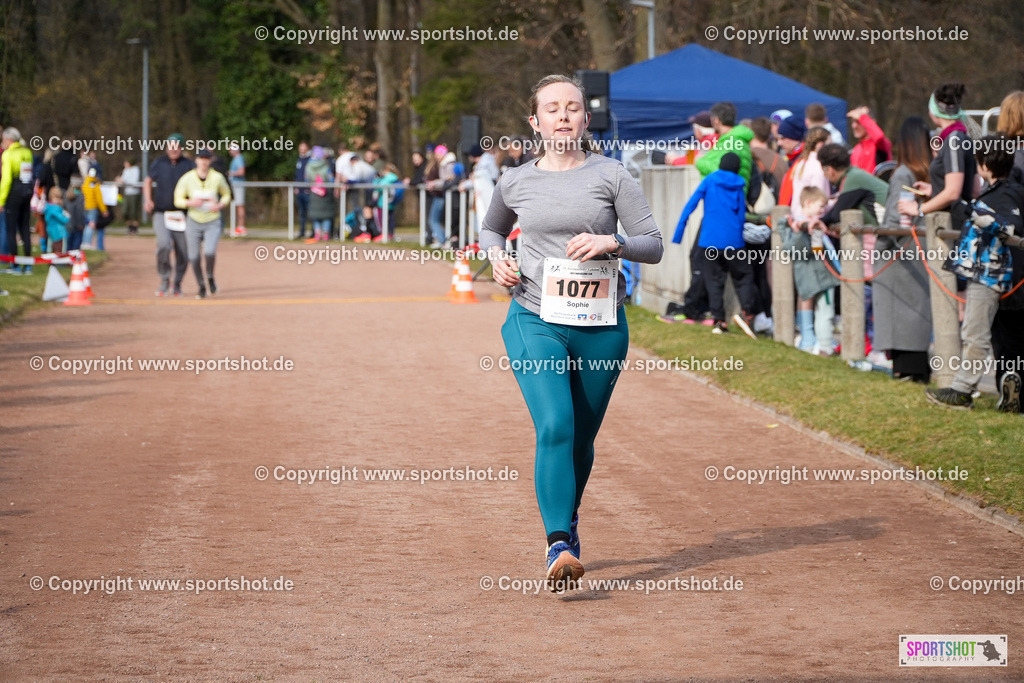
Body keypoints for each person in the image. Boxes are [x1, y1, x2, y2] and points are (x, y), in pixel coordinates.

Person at [480, 74, 663, 591]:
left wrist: (612, 241)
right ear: (535, 122)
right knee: (556, 424)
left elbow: (652, 243)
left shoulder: (613, 175)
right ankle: (558, 542)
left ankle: (569, 516)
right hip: (535, 317)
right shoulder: (515, 180)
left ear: (586, 118)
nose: (563, 115)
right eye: (552, 108)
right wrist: (497, 257)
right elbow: (493, 227)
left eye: (573, 107)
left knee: (581, 439)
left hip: (601, 325)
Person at [926, 135, 1024, 410]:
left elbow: (1010, 227)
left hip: (989, 276)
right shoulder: (1004, 191)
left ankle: (961, 391)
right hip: (992, 275)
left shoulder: (1004, 195)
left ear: (984, 165)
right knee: (1000, 339)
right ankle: (1012, 398)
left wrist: (974, 213)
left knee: (975, 335)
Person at [871, 117, 935, 383]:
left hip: (899, 254)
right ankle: (916, 370)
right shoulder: (927, 174)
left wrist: (879, 245)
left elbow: (895, 220)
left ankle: (907, 371)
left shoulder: (902, 174)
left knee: (899, 314)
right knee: (917, 313)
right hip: (919, 252)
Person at [669, 152, 758, 337]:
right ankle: (747, 314)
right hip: (734, 242)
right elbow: (741, 215)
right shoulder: (740, 186)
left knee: (714, 281)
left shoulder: (710, 180)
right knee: (743, 276)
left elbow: (690, 205)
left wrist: (678, 234)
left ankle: (719, 321)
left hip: (709, 241)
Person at [783, 186, 840, 355]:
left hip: (813, 272)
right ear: (808, 203)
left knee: (816, 306)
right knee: (825, 310)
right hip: (820, 275)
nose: (823, 210)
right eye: (820, 206)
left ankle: (813, 339)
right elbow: (812, 250)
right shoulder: (803, 224)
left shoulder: (806, 223)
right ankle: (823, 345)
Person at [174, 148, 231, 299]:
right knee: (193, 257)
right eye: (201, 158)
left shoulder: (217, 178)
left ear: (210, 160)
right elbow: (177, 199)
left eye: (207, 158)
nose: (204, 161)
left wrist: (219, 205)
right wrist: (190, 202)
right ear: (196, 160)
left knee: (209, 252)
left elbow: (226, 194)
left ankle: (210, 276)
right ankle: (201, 285)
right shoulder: (187, 178)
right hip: (194, 221)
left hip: (212, 221)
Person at [144, 133, 195, 296]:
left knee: (183, 251)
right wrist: (148, 200)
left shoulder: (189, 164)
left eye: (176, 146)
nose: (173, 149)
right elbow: (147, 181)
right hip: (161, 212)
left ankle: (177, 282)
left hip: (182, 215)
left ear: (181, 148)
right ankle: (165, 279)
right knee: (164, 245)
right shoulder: (159, 162)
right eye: (170, 146)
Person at [695, 102, 754, 191]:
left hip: (727, 197)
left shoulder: (732, 141)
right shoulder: (733, 139)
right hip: (728, 194)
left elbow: (722, 171)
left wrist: (699, 161)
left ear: (716, 120)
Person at [0, 127, 35, 272]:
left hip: (13, 192)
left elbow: (6, 179)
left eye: (3, 140)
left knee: (11, 229)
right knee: (25, 228)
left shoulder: (8, 154)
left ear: (9, 139)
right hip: (27, 191)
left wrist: (1, 200)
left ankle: (14, 264)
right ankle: (27, 265)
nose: (2, 142)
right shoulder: (27, 152)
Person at [304, 146, 335, 242]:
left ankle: (317, 233)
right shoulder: (325, 166)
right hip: (326, 193)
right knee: (326, 215)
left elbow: (306, 179)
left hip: (314, 193)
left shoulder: (309, 166)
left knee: (315, 214)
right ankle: (326, 234)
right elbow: (331, 180)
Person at [848, 106, 892, 173]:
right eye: (853, 122)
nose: (854, 126)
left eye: (858, 121)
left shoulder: (879, 145)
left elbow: (879, 137)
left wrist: (862, 118)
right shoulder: (856, 149)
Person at [81, 168, 107, 249]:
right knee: (91, 225)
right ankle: (87, 243)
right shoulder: (96, 184)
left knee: (86, 225)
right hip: (92, 207)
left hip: (84, 207)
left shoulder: (85, 183)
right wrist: (104, 210)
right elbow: (99, 198)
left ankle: (84, 242)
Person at [117, 158, 142, 235]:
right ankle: (129, 226)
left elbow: (134, 181)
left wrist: (124, 181)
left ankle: (134, 229)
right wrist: (119, 180)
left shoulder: (135, 169)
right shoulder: (125, 170)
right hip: (127, 193)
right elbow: (122, 180)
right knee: (125, 211)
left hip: (134, 193)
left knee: (133, 212)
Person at [42, 186, 69, 253]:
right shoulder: (56, 209)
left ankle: (51, 261)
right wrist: (67, 216)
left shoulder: (47, 207)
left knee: (51, 247)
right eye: (56, 198)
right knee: (60, 249)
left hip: (50, 231)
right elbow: (63, 219)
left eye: (59, 198)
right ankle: (59, 262)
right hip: (59, 232)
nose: (58, 200)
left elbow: (47, 219)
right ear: (51, 198)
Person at [228, 142, 246, 236]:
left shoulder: (239, 158)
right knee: (237, 205)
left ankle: (241, 227)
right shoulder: (236, 159)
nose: (229, 151)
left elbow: (241, 171)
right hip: (235, 185)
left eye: (231, 149)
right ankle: (238, 226)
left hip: (238, 185)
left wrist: (231, 173)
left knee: (240, 205)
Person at [294, 142, 311, 239]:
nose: (302, 150)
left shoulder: (310, 159)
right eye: (300, 148)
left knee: (310, 212)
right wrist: (296, 187)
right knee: (301, 213)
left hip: (307, 191)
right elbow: (297, 174)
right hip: (299, 190)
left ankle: (313, 232)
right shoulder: (299, 159)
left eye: (303, 148)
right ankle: (302, 231)